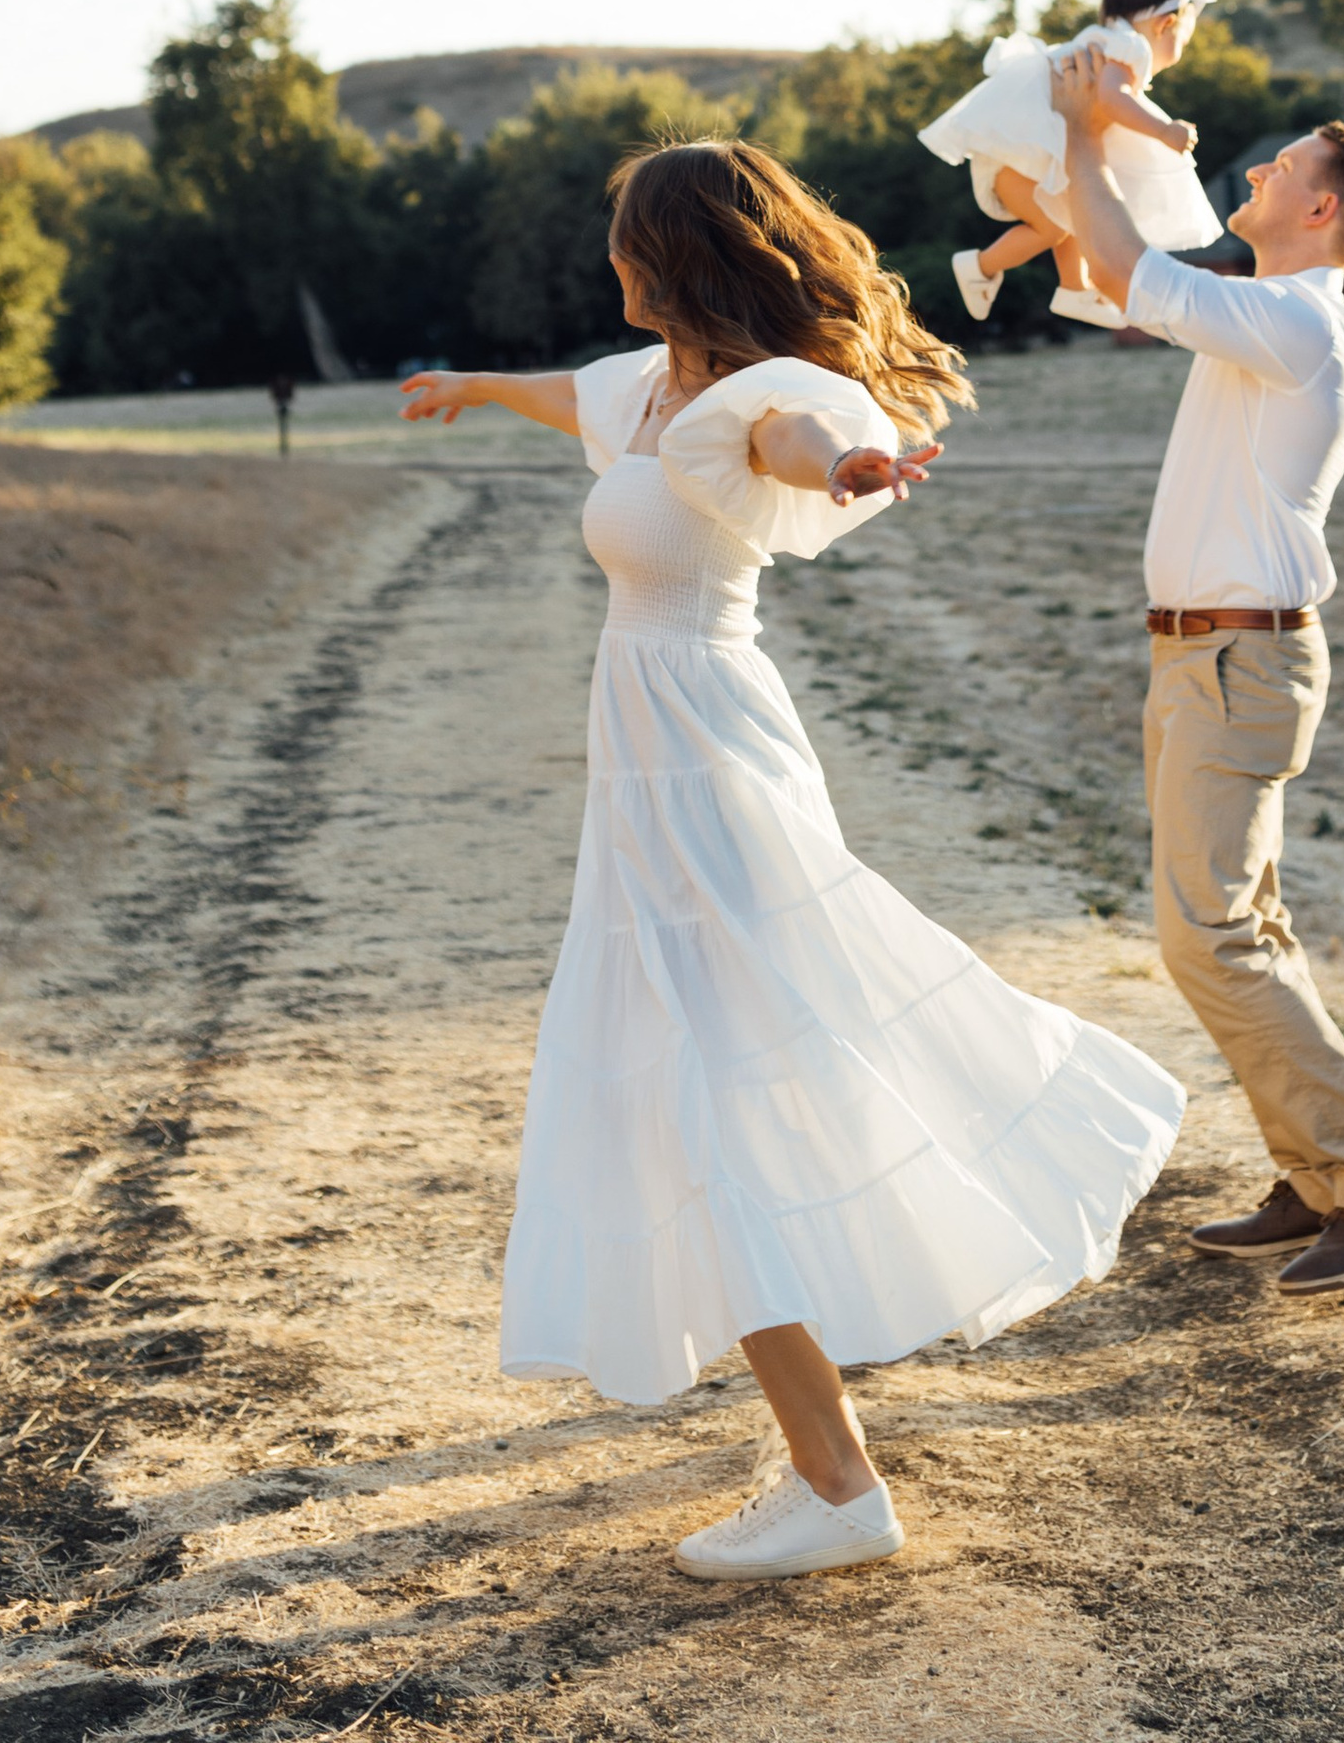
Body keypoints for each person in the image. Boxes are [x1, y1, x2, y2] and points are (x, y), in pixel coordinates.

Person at [400, 138, 1184, 1579]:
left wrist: (861, 458)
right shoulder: (648, 387)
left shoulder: (758, 400)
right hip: (650, 771)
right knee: (696, 1090)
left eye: (625, 243)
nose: (611, 266)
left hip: (705, 756)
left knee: (720, 1091)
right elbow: (565, 393)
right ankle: (828, 1469)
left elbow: (805, 447)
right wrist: (467, 387)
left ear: (677, 256)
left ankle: (835, 1485)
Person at [1048, 51, 1344, 1298]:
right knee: (1243, 928)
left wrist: (1081, 123)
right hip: (1206, 657)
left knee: (1206, 937)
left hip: (1238, 657)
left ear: (1322, 209)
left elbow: (1125, 269)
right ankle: (1319, 1176)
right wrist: (1071, 159)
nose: (1256, 171)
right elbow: (1100, 276)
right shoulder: (1255, 313)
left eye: (1278, 168)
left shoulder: (1300, 319)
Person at [919, 0, 1223, 332]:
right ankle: (980, 267)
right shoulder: (1130, 48)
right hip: (1015, 157)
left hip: (1016, 151)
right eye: (1185, 39)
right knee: (1053, 225)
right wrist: (1164, 130)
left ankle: (1074, 289)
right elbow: (1114, 98)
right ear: (1166, 24)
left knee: (1072, 212)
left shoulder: (1103, 39)